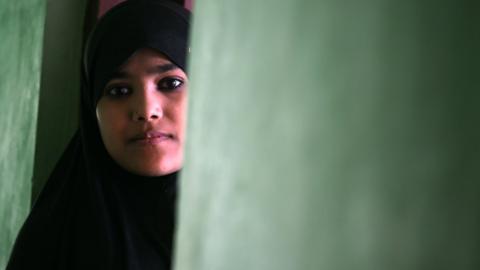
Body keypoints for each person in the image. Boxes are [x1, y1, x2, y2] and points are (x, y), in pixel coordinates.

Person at [6, 1, 190, 269]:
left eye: (170, 83)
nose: (146, 110)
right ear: (92, 109)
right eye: (119, 91)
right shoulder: (53, 243)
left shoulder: (255, 220)